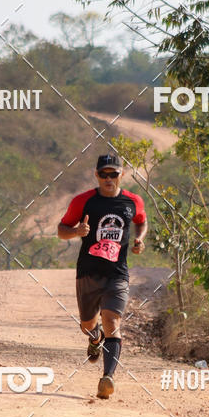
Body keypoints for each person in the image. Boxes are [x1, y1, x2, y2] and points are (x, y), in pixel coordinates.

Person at [58, 153, 147, 399]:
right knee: (88, 325)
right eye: (103, 174)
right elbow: (61, 230)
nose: (108, 179)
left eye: (113, 174)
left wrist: (140, 239)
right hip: (88, 273)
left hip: (117, 274)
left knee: (112, 323)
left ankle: (107, 377)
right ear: (96, 175)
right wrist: (76, 231)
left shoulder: (132, 201)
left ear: (121, 175)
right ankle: (94, 338)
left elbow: (141, 221)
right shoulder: (83, 201)